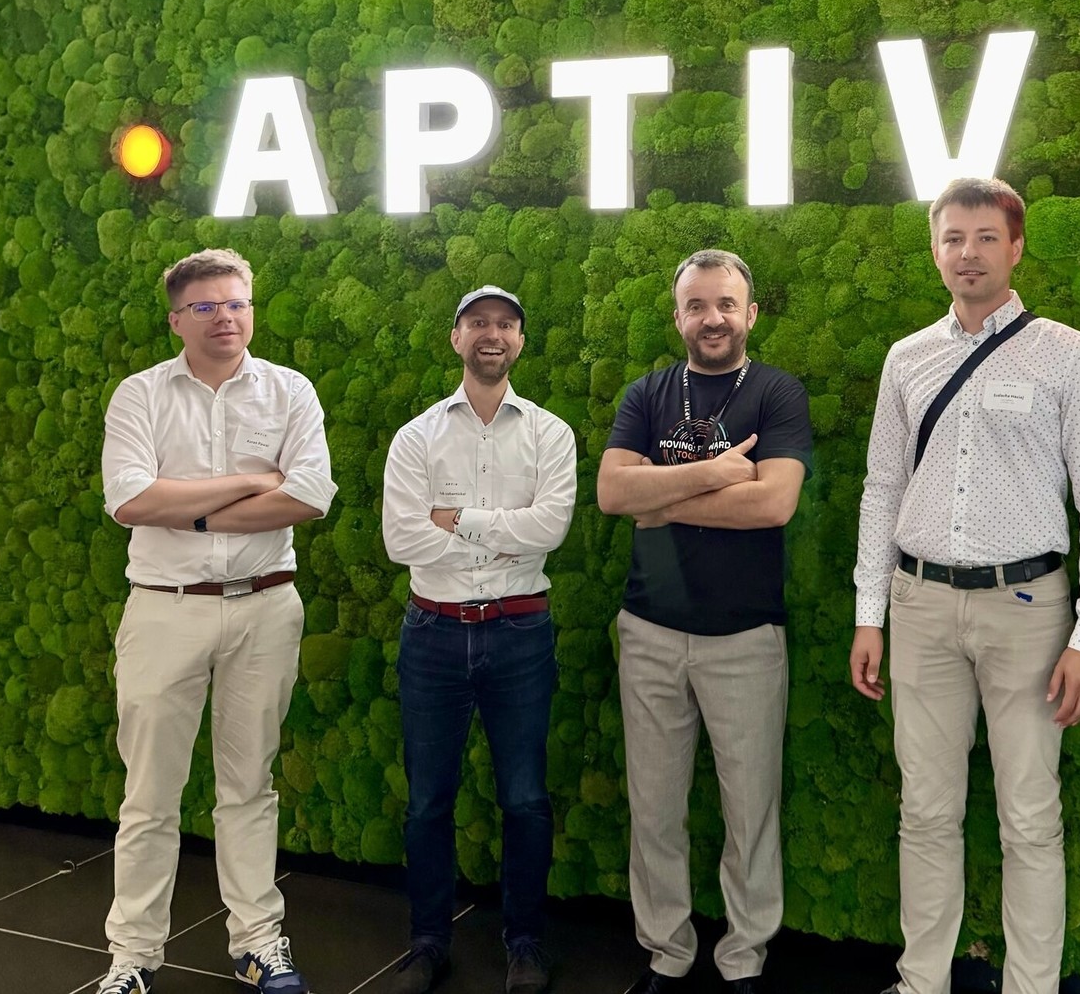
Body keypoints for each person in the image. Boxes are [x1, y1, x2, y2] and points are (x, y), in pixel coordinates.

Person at [850, 177, 1080, 994]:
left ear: (1015, 246)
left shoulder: (1069, 353)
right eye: (952, 238)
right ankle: (922, 980)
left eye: (984, 237)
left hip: (1029, 609)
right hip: (920, 604)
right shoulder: (907, 357)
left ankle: (1030, 986)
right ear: (935, 250)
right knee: (925, 810)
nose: (967, 253)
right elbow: (881, 489)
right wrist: (870, 614)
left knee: (1030, 816)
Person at [98, 248, 337, 994]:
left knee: (249, 786)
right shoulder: (140, 396)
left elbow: (309, 495)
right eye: (205, 307)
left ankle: (258, 942)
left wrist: (188, 506)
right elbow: (130, 500)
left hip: (266, 607)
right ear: (177, 320)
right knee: (149, 795)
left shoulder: (290, 390)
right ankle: (133, 956)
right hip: (164, 610)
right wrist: (245, 485)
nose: (224, 317)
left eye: (236, 303)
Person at [597, 249, 812, 994]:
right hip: (649, 629)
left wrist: (660, 497)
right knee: (654, 806)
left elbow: (773, 503)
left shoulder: (777, 393)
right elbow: (611, 492)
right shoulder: (648, 393)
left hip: (746, 637)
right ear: (678, 316)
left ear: (750, 313)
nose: (711, 318)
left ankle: (744, 957)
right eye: (696, 305)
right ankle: (667, 952)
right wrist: (716, 474)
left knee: (750, 810)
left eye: (725, 304)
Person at [380, 285, 577, 994]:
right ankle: (428, 942)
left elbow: (550, 529)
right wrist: (504, 530)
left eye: (506, 324)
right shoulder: (417, 436)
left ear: (520, 340)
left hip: (521, 630)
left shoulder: (551, 434)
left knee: (524, 798)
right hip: (433, 632)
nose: (493, 334)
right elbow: (402, 539)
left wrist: (456, 518)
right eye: (478, 323)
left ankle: (525, 942)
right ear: (457, 337)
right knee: (428, 800)